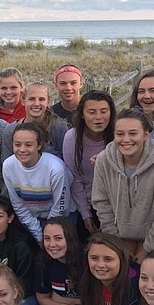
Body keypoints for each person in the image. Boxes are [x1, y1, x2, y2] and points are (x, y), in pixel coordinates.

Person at [92, 107, 154, 264]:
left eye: (133, 133)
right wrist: (116, 243)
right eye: (120, 134)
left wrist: (148, 249)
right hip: (118, 239)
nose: (126, 139)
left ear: (146, 135)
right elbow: (101, 203)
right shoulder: (103, 160)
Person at [2, 123, 73, 243]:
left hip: (61, 216)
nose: (22, 150)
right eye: (17, 145)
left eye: (28, 145)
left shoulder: (55, 168)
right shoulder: (8, 166)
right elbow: (17, 204)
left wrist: (47, 235)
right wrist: (38, 235)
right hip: (31, 218)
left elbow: (61, 206)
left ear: (39, 145)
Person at [62, 91, 115, 243]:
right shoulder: (72, 137)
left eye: (104, 111)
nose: (98, 118)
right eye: (92, 112)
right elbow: (75, 178)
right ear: (83, 115)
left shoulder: (118, 136)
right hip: (86, 203)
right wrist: (85, 214)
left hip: (116, 205)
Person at [2, 82, 68, 160]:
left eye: (41, 99)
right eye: (31, 99)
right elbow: (9, 164)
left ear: (48, 102)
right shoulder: (10, 130)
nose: (37, 104)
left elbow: (66, 162)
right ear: (23, 101)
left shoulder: (59, 127)